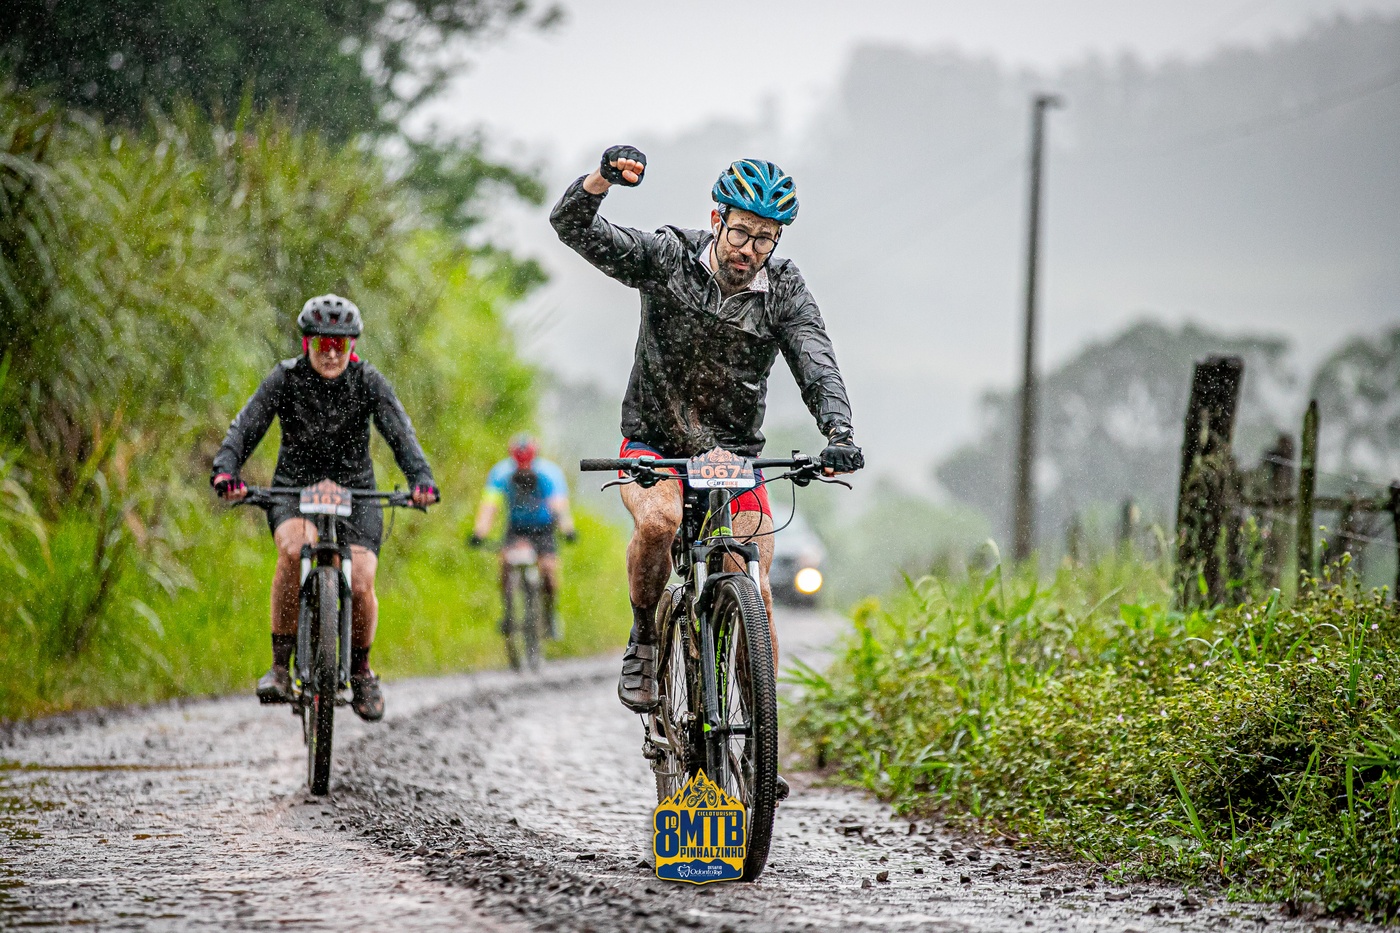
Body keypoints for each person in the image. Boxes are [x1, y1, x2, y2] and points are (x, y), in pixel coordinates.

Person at [549, 147, 864, 722]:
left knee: (755, 584)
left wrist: (839, 430)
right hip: (654, 443)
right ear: (717, 219)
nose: (749, 250)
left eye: (765, 239)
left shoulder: (785, 290)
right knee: (659, 522)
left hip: (735, 456)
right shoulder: (668, 257)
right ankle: (645, 636)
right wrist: (601, 180)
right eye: (741, 232)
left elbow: (815, 359)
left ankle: (758, 736)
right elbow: (573, 227)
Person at [210, 294, 438, 722]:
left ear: (352, 347)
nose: (331, 354)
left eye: (340, 345)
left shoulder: (369, 381)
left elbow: (401, 434)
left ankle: (362, 671)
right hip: (294, 489)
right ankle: (280, 667)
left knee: (363, 579)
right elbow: (246, 426)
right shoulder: (285, 379)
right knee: (294, 551)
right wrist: (226, 470)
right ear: (307, 344)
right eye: (322, 344)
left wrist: (421, 480)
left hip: (357, 492)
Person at [468, 433, 576, 639]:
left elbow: (559, 505)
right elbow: (490, 505)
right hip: (516, 527)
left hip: (543, 527)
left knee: (548, 570)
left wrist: (567, 528)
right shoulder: (501, 473)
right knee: (505, 565)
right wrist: (480, 532)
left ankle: (550, 614)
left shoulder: (549, 474)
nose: (524, 470)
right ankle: (508, 613)